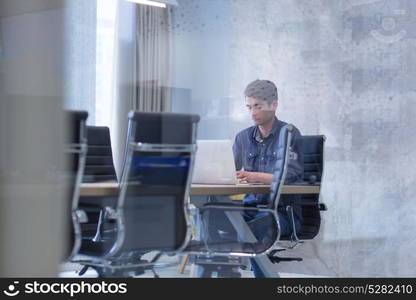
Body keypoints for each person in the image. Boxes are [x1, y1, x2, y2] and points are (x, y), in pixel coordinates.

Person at [233, 79, 304, 277]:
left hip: (280, 212)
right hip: (250, 208)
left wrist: (253, 176)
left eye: (258, 106)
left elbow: (291, 176)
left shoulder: (289, 134)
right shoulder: (242, 138)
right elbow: (227, 172)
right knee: (207, 218)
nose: (253, 113)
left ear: (274, 105)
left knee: (254, 229)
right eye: (249, 107)